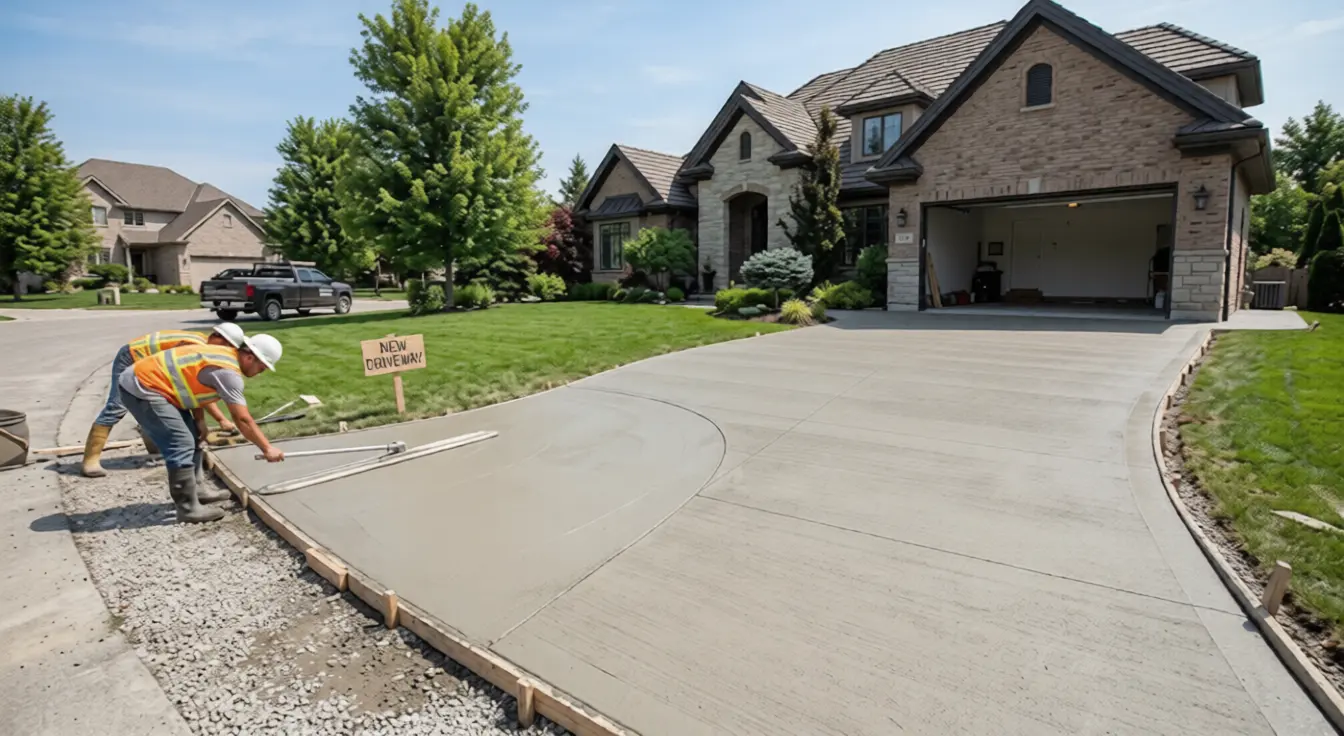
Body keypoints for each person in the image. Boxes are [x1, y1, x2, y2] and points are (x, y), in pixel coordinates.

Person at [118, 333, 286, 523]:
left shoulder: (224, 355)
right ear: (249, 358)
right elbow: (242, 419)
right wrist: (267, 448)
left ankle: (197, 491)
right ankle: (188, 509)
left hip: (158, 385)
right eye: (262, 368)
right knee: (181, 444)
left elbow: (190, 385)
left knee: (193, 436)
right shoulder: (228, 373)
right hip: (142, 387)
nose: (261, 372)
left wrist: (199, 422)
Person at [82, 324, 247, 477]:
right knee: (117, 406)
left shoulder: (204, 345)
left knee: (160, 404)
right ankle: (90, 460)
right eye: (227, 346)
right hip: (132, 356)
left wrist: (208, 419)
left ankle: (156, 448)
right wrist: (219, 419)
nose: (226, 351)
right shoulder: (194, 346)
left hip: (146, 365)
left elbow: (192, 390)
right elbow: (190, 386)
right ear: (218, 338)